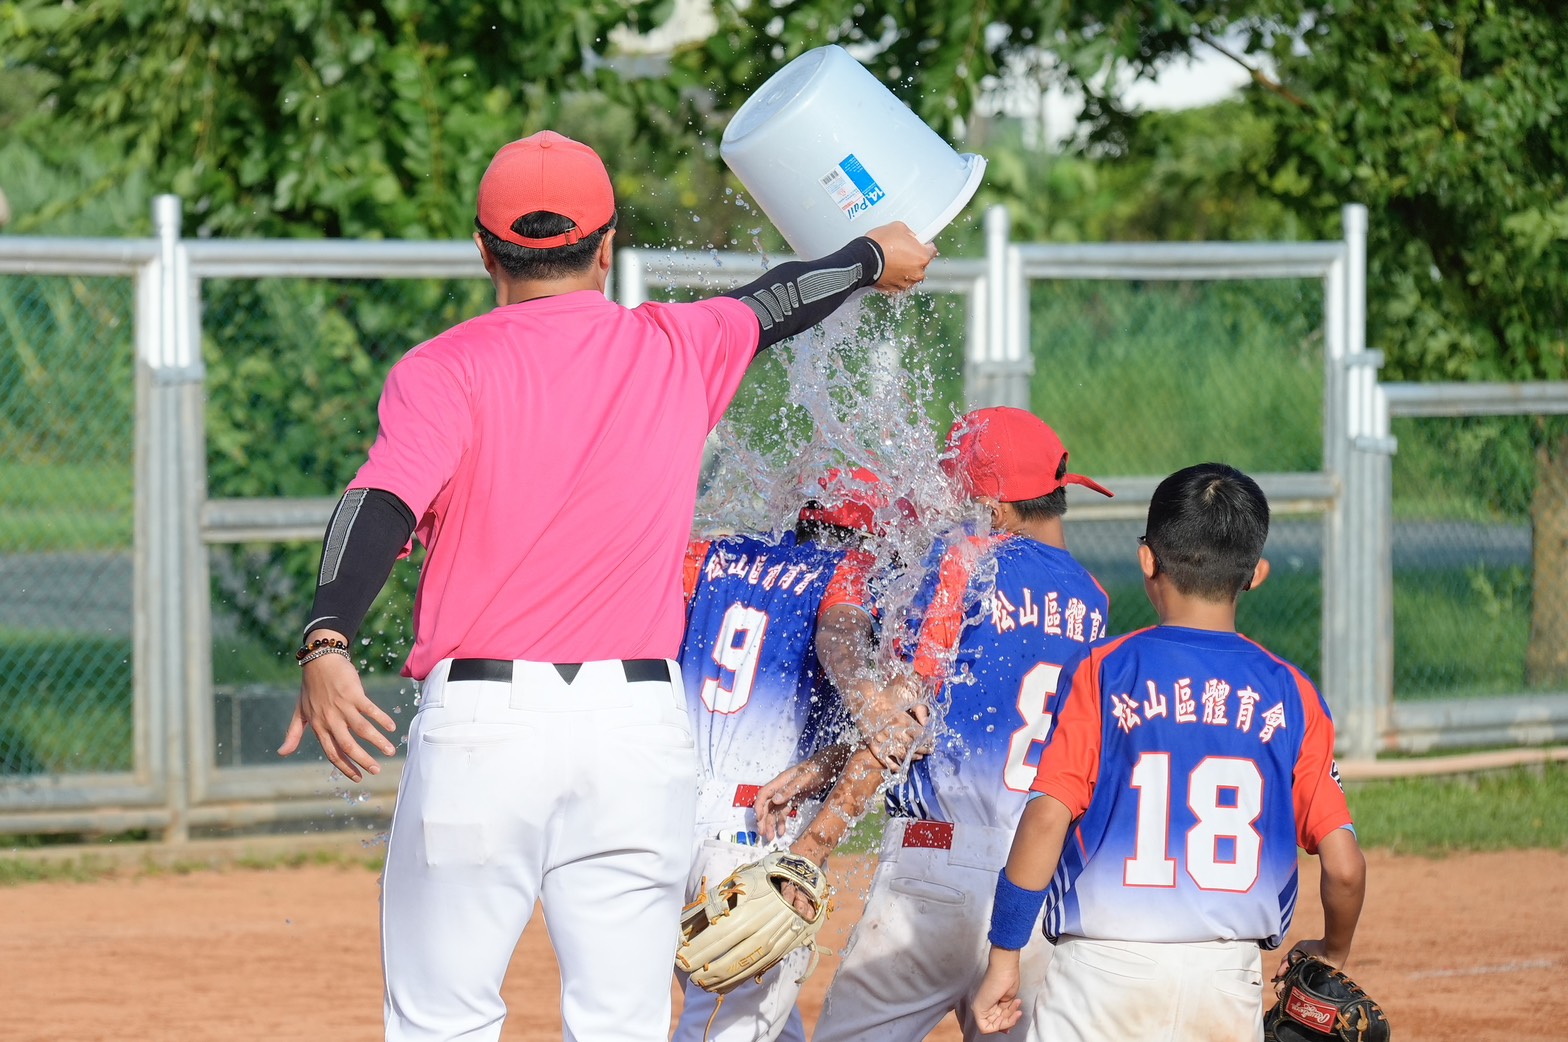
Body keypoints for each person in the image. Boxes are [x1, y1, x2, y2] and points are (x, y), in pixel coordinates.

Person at [273, 129, 936, 1042]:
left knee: (442, 1020)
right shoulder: (671, 345)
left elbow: (377, 503)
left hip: (484, 731)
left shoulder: (443, 370)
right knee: (621, 1023)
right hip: (636, 737)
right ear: (607, 243)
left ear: (482, 248)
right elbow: (776, 300)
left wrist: (327, 638)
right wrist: (874, 255)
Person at [972, 462, 1368, 1041]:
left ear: (1147, 560)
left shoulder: (1104, 671)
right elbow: (1344, 866)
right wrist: (1334, 949)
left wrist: (1006, 954)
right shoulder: (1295, 694)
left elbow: (1046, 817)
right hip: (1226, 979)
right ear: (1256, 575)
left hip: (1102, 976)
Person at [772, 406, 1114, 1042]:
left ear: (990, 504)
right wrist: (823, 768)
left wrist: (816, 844)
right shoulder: (1095, 601)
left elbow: (907, 714)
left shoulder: (965, 562)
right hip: (1037, 887)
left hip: (935, 874)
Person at [673, 466, 895, 1042]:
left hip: (666, 820)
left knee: (772, 1023)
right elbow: (839, 638)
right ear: (866, 537)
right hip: (755, 832)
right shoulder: (850, 571)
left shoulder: (713, 554)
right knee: (728, 1026)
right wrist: (869, 700)